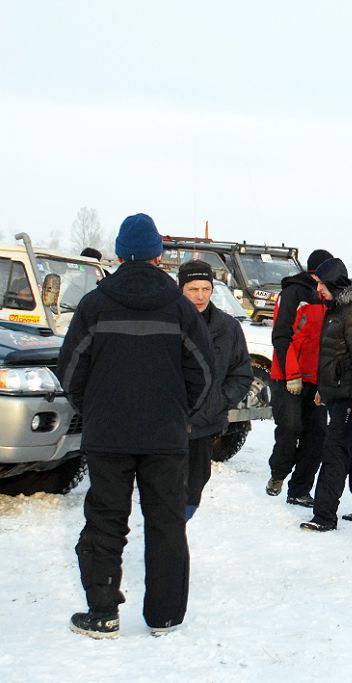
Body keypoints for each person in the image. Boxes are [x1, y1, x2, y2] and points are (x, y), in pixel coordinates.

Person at [57, 213, 214, 638]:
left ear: (120, 254)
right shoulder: (180, 307)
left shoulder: (94, 304)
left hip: (108, 434)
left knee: (106, 519)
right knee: (166, 522)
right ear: (158, 255)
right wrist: (180, 412)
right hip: (165, 436)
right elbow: (203, 371)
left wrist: (93, 409)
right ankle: (165, 616)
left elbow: (70, 369)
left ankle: (103, 612)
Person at [300, 259, 352, 531]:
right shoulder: (338, 307)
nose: (318, 290)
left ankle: (324, 516)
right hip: (339, 391)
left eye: (321, 285)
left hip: (351, 394)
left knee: (335, 450)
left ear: (334, 284)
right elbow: (333, 355)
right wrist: (323, 390)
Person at [178, 260, 253, 521]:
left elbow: (241, 373)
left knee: (193, 489)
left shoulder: (228, 327)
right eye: (193, 289)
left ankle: (177, 529)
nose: (200, 296)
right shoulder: (166, 323)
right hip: (169, 425)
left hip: (205, 424)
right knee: (165, 493)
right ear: (181, 289)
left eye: (206, 289)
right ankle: (168, 536)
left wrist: (219, 402)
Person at [266, 249, 333, 506]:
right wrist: (291, 374)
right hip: (288, 377)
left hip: (317, 379)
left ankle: (300, 490)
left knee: (316, 436)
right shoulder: (293, 293)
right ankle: (278, 473)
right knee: (290, 428)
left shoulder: (329, 297)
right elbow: (281, 337)